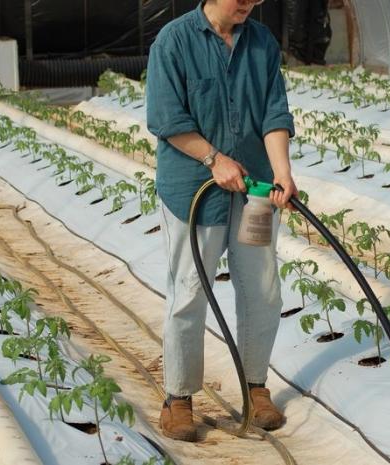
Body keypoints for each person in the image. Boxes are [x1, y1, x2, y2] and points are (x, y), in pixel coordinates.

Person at [145, 0, 297, 443]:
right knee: (190, 291)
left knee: (262, 288)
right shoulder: (173, 42)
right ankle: (178, 398)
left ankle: (256, 388)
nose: (250, 4)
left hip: (254, 194)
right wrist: (213, 159)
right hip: (195, 192)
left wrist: (282, 172)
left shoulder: (261, 42)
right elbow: (167, 120)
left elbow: (273, 113)